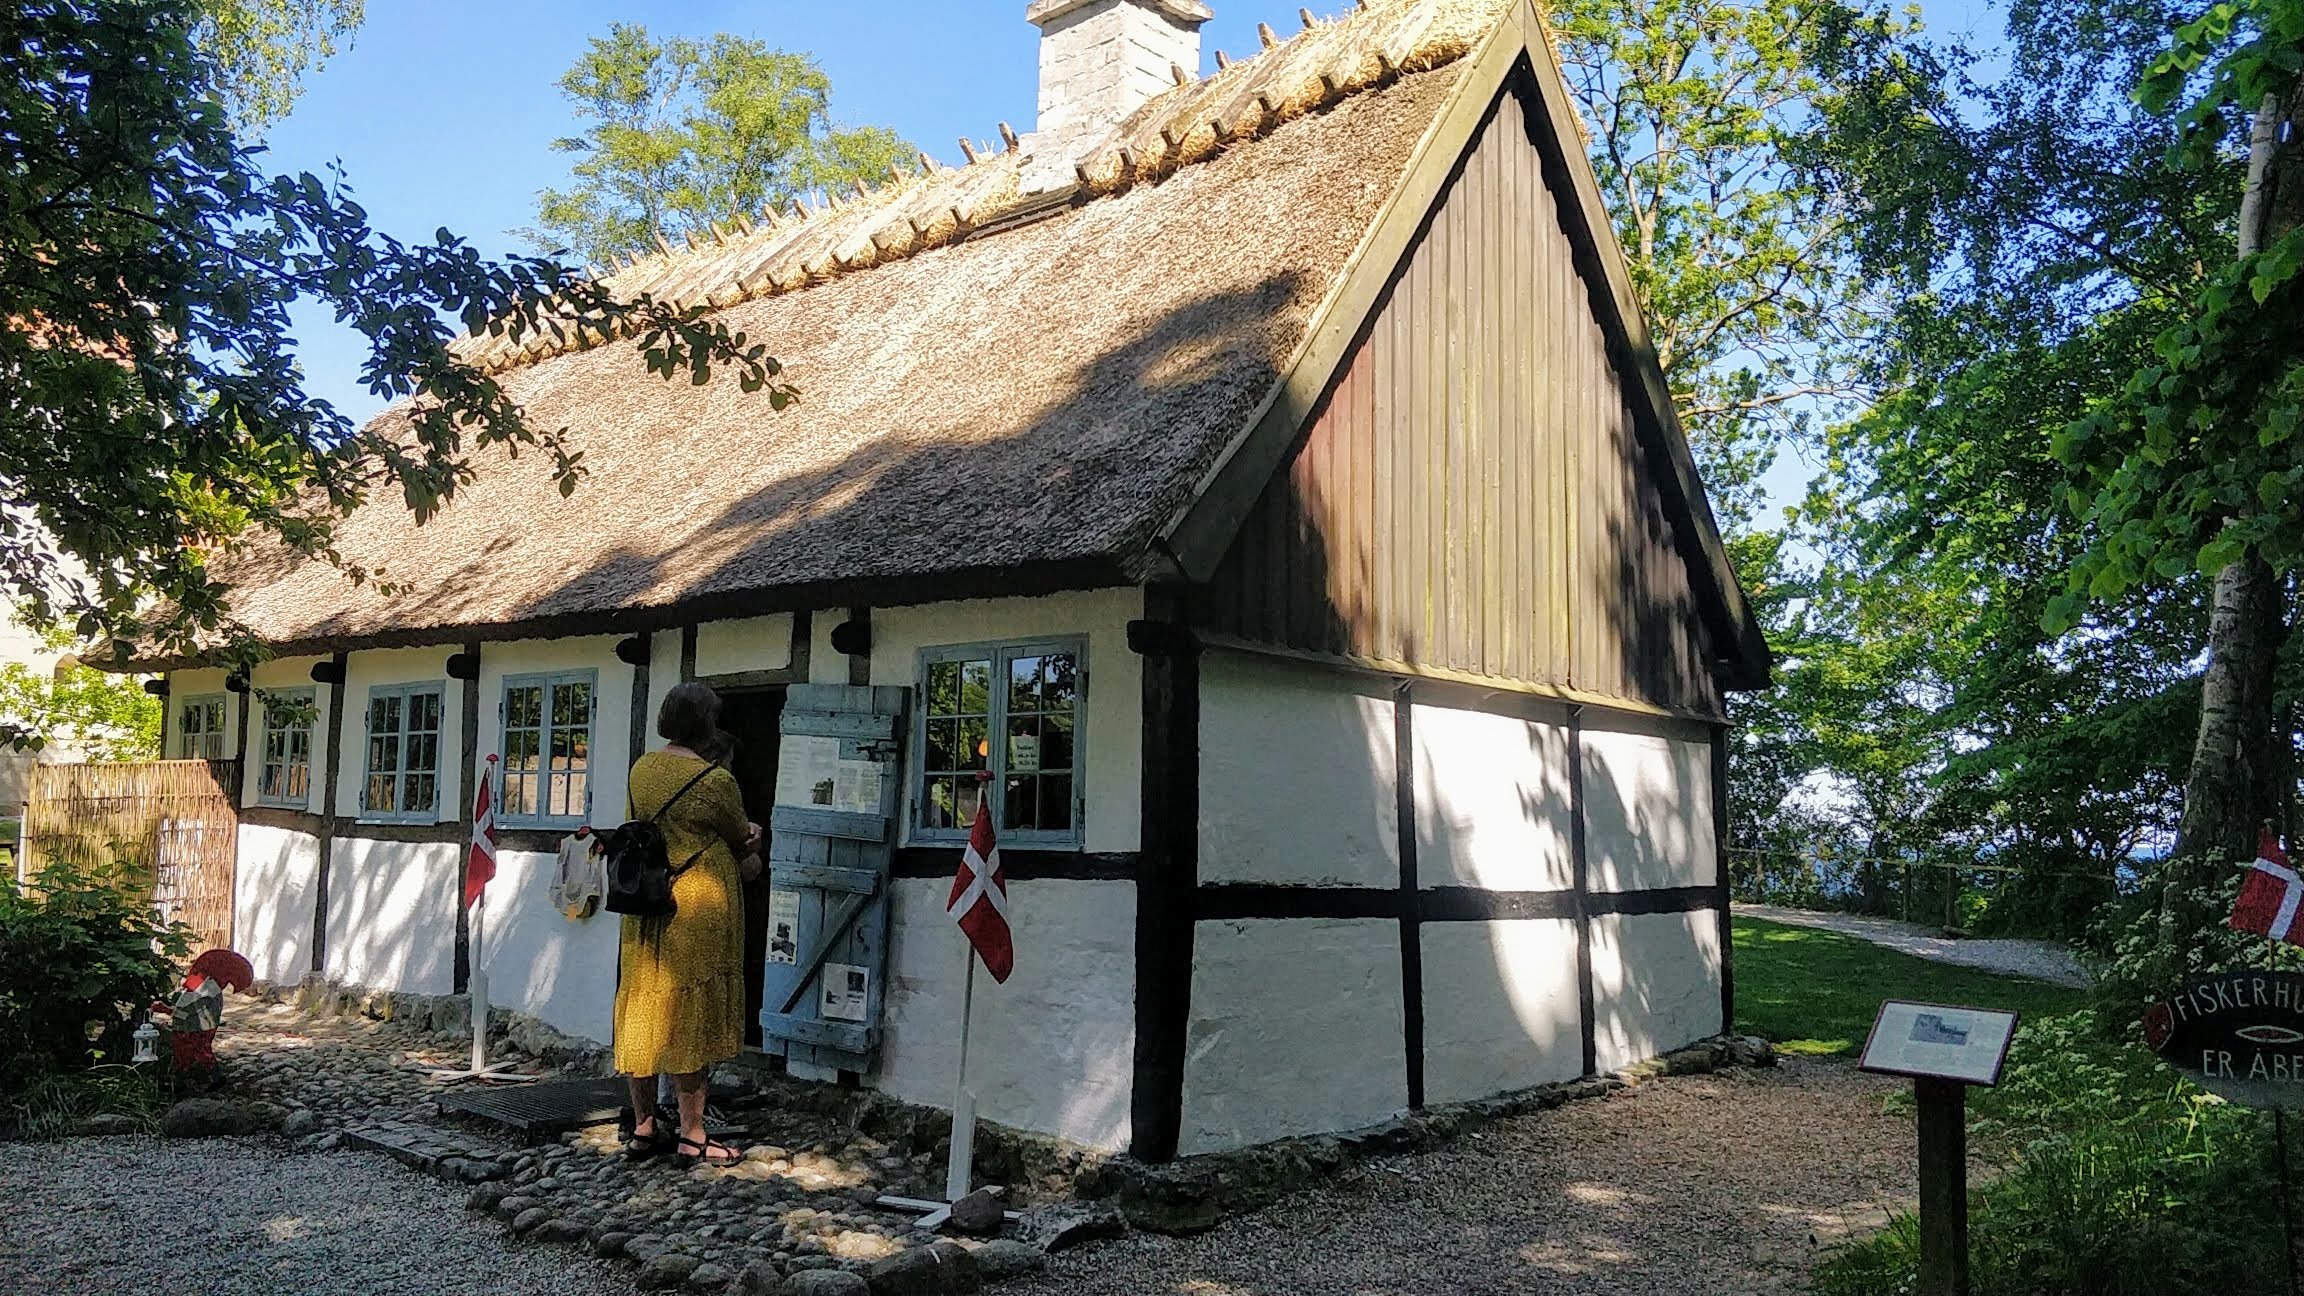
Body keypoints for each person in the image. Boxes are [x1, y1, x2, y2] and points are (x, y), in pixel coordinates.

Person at [616, 682, 758, 1164]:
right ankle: (694, 1135)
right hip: (696, 904)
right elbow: (742, 837)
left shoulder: (643, 769)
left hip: (646, 903)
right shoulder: (716, 782)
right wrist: (753, 839)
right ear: (706, 726)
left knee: (644, 1008)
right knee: (688, 1011)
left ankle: (643, 1126)